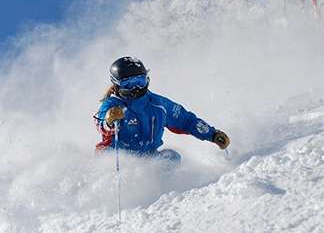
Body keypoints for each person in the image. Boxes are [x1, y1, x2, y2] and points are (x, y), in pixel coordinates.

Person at [94, 56, 230, 165]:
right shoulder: (113, 105)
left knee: (171, 158)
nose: (136, 88)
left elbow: (186, 120)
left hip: (147, 158)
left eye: (140, 81)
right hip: (116, 158)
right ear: (116, 84)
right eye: (128, 84)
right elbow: (101, 123)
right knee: (108, 161)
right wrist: (109, 120)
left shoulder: (158, 104)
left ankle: (159, 193)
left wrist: (212, 134)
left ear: (147, 80)